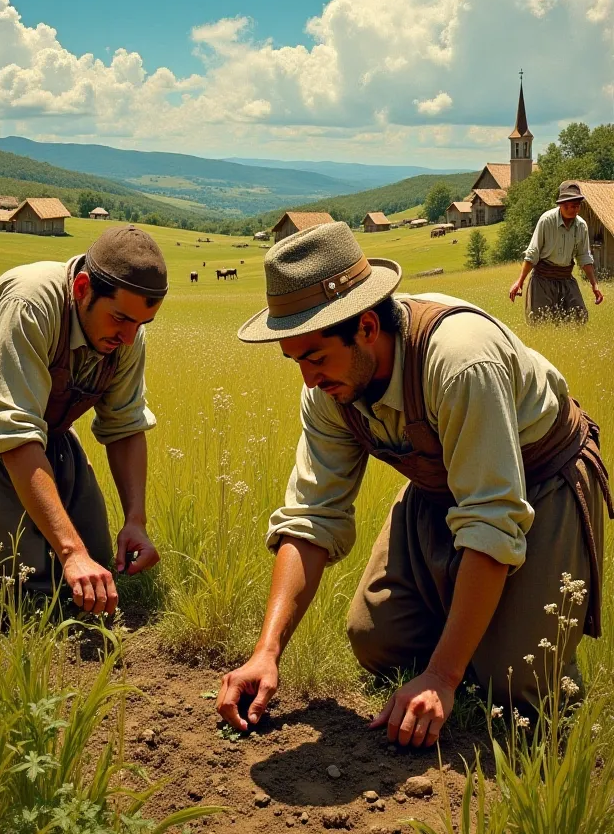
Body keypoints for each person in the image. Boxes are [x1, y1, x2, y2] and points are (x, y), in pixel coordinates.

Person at [217, 221, 611, 748]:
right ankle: (471, 638)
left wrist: (444, 678)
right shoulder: (329, 389)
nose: (308, 380)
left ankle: (483, 652)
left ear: (366, 330)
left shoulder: (460, 360)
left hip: (540, 483)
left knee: (516, 685)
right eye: (295, 361)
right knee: (375, 642)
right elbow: (311, 516)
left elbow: (493, 515)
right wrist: (267, 652)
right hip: (439, 489)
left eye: (314, 357)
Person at [0, 224, 166, 615]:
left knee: (102, 568)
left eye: (141, 324)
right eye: (120, 319)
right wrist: (71, 553)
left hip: (51, 434)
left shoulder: (128, 335)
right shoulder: (31, 304)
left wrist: (135, 521)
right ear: (82, 287)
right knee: (14, 590)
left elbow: (124, 426)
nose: (129, 337)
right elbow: (14, 432)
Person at [509, 181, 604, 323]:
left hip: (565, 278)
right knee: (540, 321)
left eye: (578, 206)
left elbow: (584, 257)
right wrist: (519, 281)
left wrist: (594, 284)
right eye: (572, 206)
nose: (575, 210)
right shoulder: (546, 221)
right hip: (542, 280)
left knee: (579, 317)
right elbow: (533, 253)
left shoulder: (581, 226)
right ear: (562, 205)